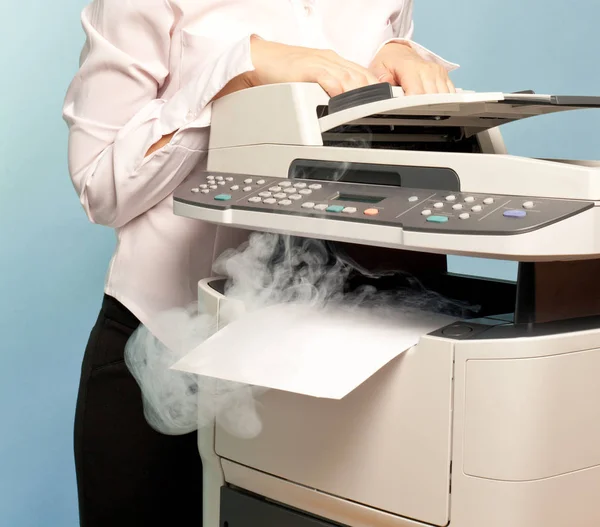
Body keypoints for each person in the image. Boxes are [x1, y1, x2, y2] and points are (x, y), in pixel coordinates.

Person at [62, 0, 458, 525]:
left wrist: (401, 60)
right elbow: (101, 187)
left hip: (338, 360)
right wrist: (235, 75)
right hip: (165, 348)